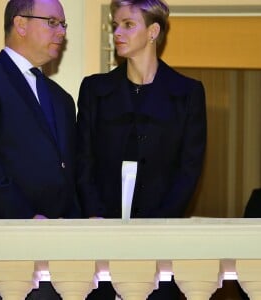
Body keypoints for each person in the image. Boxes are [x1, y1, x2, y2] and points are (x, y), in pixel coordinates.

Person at [76, 0, 207, 299]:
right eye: (115, 25)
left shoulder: (187, 93)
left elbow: (189, 171)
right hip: (100, 242)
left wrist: (156, 227)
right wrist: (95, 216)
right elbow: (83, 160)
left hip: (161, 243)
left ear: (153, 31)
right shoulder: (94, 90)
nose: (117, 33)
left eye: (127, 24)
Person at [0, 0, 79, 298]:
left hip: (54, 257)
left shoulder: (62, 99)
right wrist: (25, 217)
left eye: (63, 24)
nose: (61, 32)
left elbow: (69, 172)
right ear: (21, 24)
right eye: (52, 22)